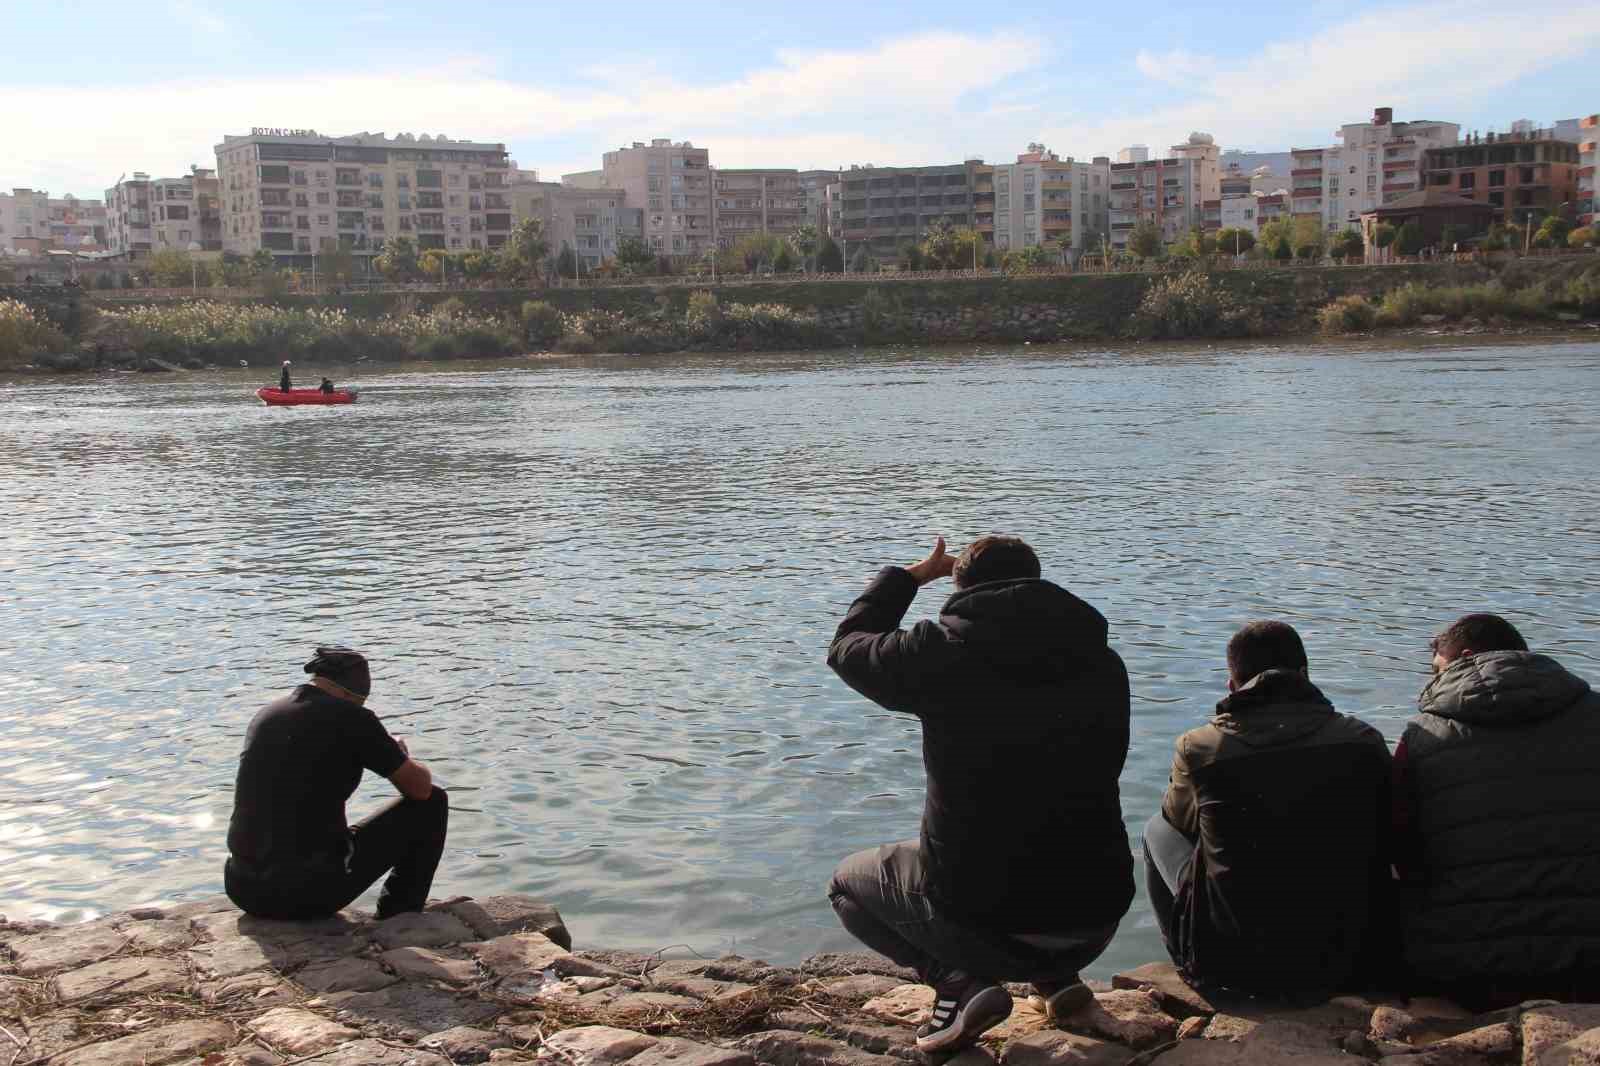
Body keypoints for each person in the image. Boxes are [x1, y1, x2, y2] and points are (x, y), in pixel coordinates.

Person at [826, 535, 1133, 1053]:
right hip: (1095, 921)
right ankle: (1058, 983)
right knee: (1047, 809)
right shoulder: (1104, 664)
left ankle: (958, 984)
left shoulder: (939, 652)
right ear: (1038, 582)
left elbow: (847, 647)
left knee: (847, 884)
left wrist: (909, 578)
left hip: (990, 923)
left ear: (961, 588)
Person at [1145, 621, 1392, 999]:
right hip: (1349, 960)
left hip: (1237, 968)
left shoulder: (1201, 747)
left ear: (1233, 685)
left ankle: (1186, 961)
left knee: (1156, 830)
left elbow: (1179, 821)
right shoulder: (1362, 739)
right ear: (1305, 675)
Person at [1396, 613, 1600, 1009]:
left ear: (1465, 657)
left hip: (1470, 973)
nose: (1432, 681)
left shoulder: (1421, 736)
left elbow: (1402, 852)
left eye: (1436, 669)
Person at [224, 647, 449, 921]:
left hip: (242, 887)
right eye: (360, 702)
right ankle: (398, 917)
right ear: (348, 695)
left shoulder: (268, 714)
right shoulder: (352, 718)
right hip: (303, 895)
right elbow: (419, 789)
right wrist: (399, 755)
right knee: (433, 803)